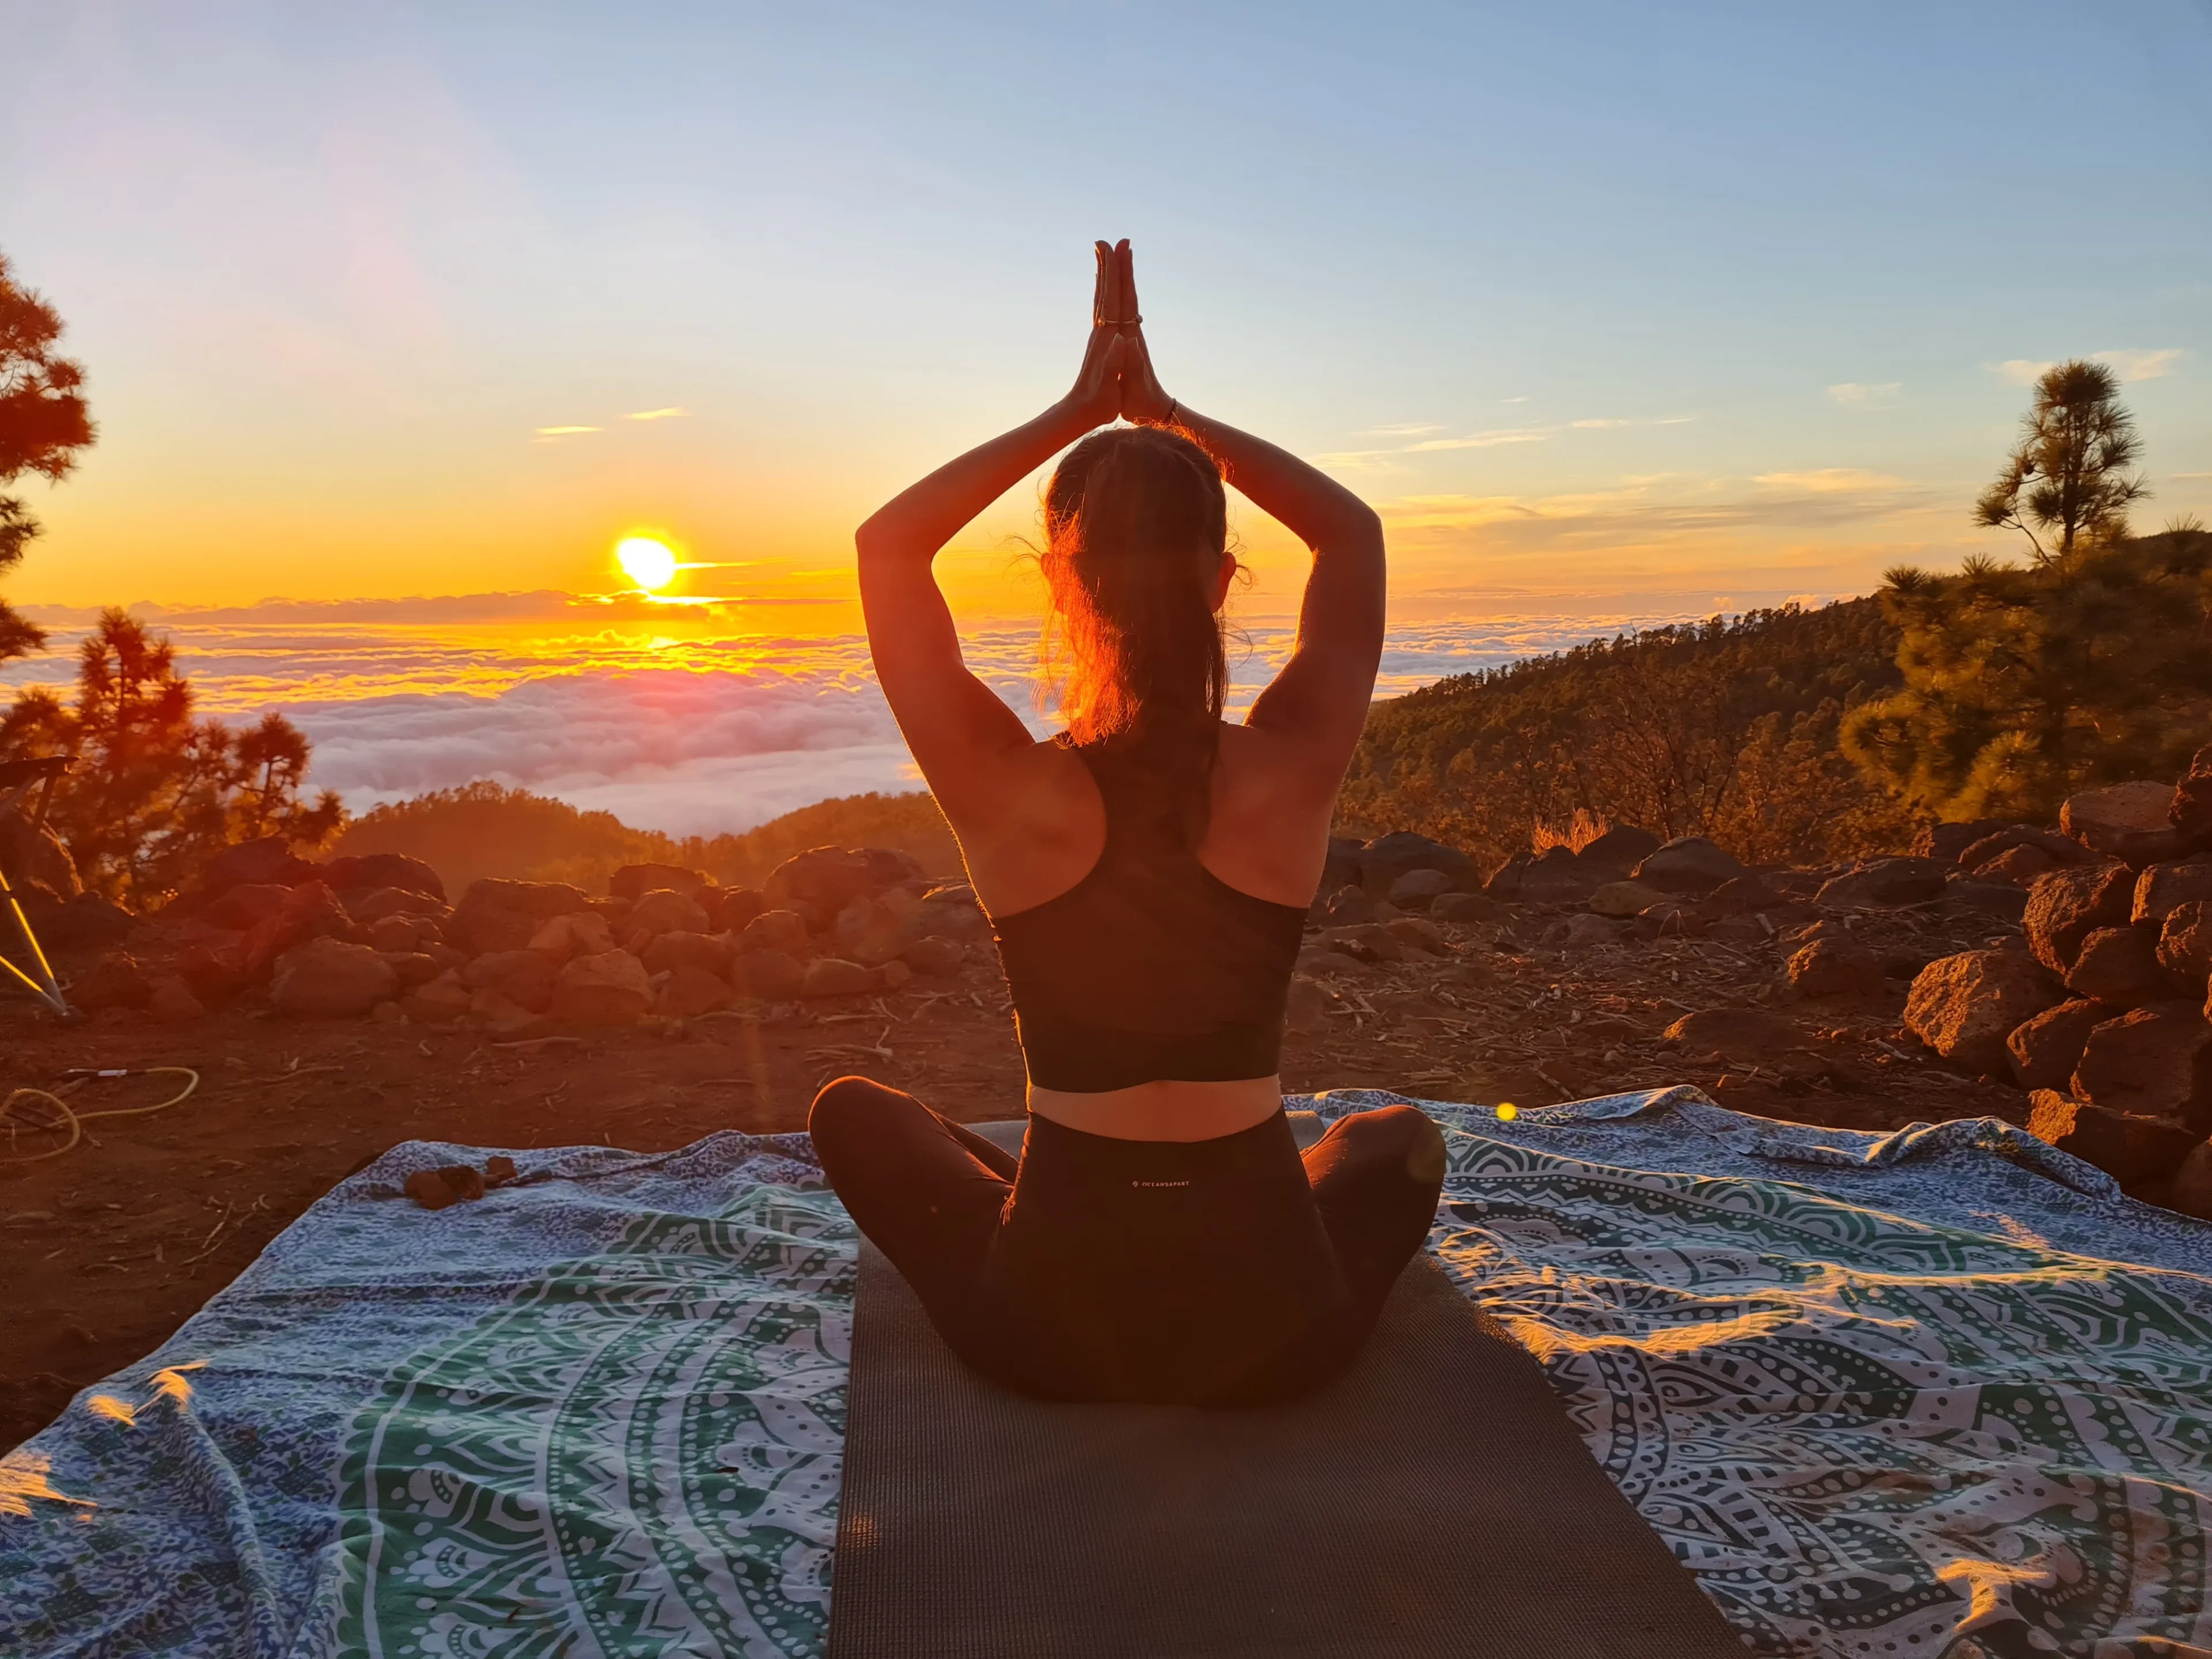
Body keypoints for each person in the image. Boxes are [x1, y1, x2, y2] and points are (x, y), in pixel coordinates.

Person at [810, 240, 1445, 1406]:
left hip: (1049, 1333)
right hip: (1280, 1337)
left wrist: (1075, 414)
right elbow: (1350, 535)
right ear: (1223, 579)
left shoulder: (1006, 789)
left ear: (1064, 579)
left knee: (855, 1113)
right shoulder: (1293, 768)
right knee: (1393, 1136)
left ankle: (1022, 1197)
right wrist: (1165, 413)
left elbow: (887, 547)